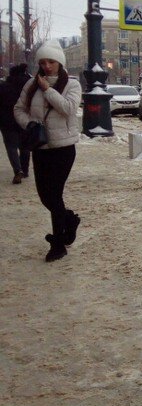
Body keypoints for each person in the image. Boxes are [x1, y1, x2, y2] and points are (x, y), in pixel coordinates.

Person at [14, 40, 82, 262]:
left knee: (54, 194)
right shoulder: (31, 85)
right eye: (42, 62)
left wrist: (48, 90)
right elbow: (19, 109)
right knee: (45, 196)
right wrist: (30, 124)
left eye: (51, 61)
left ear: (59, 62)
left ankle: (58, 243)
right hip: (40, 147)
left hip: (63, 148)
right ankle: (69, 220)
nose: (47, 66)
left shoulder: (71, 84)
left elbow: (69, 109)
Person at [1, 62, 32, 184]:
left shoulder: (4, 87)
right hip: (25, 120)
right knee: (25, 146)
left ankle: (17, 170)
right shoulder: (29, 86)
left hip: (7, 122)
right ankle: (25, 169)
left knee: (11, 147)